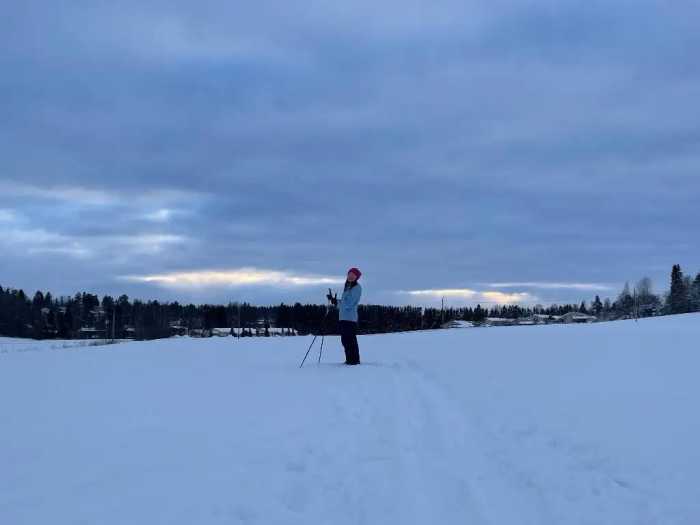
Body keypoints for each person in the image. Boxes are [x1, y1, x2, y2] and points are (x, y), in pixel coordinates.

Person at [327, 268, 362, 365]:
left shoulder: (357, 288)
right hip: (343, 318)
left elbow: (349, 303)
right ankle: (349, 360)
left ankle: (354, 361)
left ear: (356, 277)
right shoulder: (347, 287)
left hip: (350, 319)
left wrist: (339, 302)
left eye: (353, 275)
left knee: (350, 339)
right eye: (349, 274)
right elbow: (343, 304)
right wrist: (335, 301)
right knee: (345, 340)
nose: (350, 276)